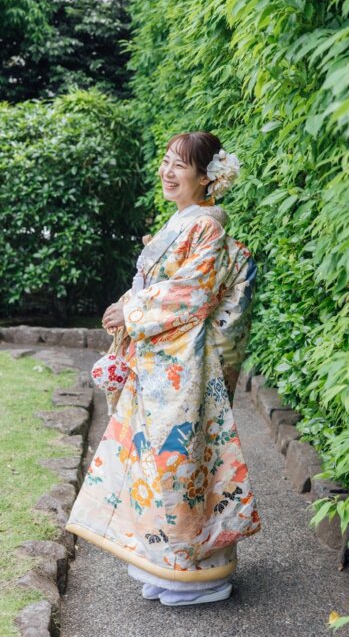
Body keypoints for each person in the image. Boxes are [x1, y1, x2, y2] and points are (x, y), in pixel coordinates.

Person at [65, 131, 262, 606]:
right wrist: (127, 306)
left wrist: (132, 311)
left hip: (186, 368)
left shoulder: (207, 228)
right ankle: (162, 565)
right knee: (153, 465)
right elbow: (159, 286)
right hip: (162, 361)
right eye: (167, 161)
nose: (167, 172)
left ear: (207, 177)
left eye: (180, 165)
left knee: (183, 464)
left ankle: (202, 577)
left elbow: (191, 294)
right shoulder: (182, 223)